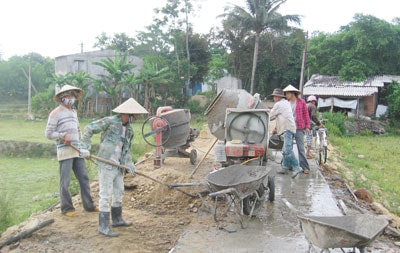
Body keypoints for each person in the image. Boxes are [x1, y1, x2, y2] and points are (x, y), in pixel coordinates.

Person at [81, 98, 148, 237]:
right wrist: (84, 147)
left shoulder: (129, 130)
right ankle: (103, 227)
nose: (136, 118)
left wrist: (129, 164)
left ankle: (117, 219)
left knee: (119, 192)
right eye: (134, 115)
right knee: (105, 195)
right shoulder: (110, 122)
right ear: (127, 113)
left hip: (118, 166)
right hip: (106, 163)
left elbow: (126, 150)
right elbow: (89, 129)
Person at [45, 84, 97, 217]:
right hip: (65, 152)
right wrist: (62, 136)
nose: (72, 98)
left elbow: (78, 132)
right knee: (65, 181)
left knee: (84, 178)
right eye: (69, 95)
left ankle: (89, 205)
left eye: (73, 95)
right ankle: (67, 208)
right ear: (62, 98)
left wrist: (83, 148)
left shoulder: (74, 112)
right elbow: (49, 133)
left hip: (77, 151)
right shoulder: (55, 113)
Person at [269, 88, 303, 178]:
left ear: (279, 97)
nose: (274, 98)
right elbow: (277, 116)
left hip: (287, 128)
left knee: (287, 150)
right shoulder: (285, 103)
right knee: (285, 149)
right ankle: (285, 167)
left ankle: (297, 167)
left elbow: (270, 115)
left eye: (275, 96)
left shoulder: (279, 104)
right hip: (290, 128)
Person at [283, 85, 311, 174]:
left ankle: (305, 167)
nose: (286, 95)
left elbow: (306, 115)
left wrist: (307, 126)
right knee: (288, 148)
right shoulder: (286, 103)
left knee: (301, 148)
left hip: (299, 127)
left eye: (287, 93)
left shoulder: (301, 102)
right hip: (289, 127)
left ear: (292, 93)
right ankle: (289, 165)